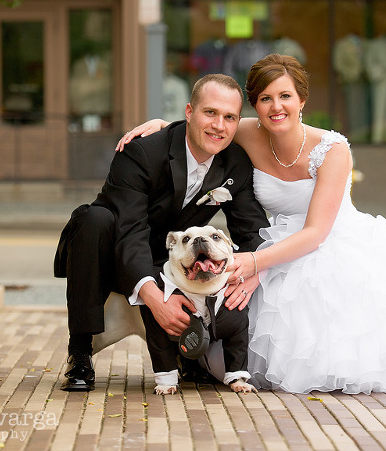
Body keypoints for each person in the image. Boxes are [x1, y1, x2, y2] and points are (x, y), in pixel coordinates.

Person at [118, 54, 386, 395]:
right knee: (229, 339)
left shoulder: (333, 149)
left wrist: (257, 264)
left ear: (301, 101)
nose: (276, 107)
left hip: (328, 242)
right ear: (253, 106)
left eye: (285, 97)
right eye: (264, 98)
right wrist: (156, 126)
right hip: (269, 237)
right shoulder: (244, 131)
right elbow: (201, 124)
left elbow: (315, 232)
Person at [55, 73, 269, 391]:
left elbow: (250, 228)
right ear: (189, 111)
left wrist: (253, 271)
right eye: (210, 112)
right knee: (93, 220)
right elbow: (130, 231)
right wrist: (155, 299)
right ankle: (80, 353)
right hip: (114, 250)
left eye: (229, 117)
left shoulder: (234, 161)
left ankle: (191, 357)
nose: (219, 126)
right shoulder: (140, 152)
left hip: (173, 259)